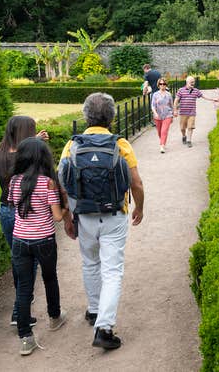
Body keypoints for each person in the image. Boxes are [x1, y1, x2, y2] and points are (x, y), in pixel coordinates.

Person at [58, 92, 144, 350]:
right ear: (112, 117)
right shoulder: (121, 144)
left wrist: (67, 216)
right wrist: (140, 206)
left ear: (86, 116)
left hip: (84, 214)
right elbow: (136, 182)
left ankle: (94, 310)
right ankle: (104, 328)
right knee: (112, 270)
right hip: (115, 214)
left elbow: (63, 184)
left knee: (90, 263)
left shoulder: (72, 145)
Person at [7, 137, 70, 355]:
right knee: (49, 278)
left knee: (24, 287)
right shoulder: (47, 183)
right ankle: (55, 317)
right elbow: (57, 217)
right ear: (44, 157)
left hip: (19, 240)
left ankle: (26, 338)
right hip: (43, 240)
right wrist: (66, 208)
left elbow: (15, 206)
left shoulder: (14, 181)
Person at [0, 116, 49, 327]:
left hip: (5, 210)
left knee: (18, 259)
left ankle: (21, 301)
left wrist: (35, 141)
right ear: (26, 133)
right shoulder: (26, 158)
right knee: (29, 261)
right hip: (24, 212)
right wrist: (38, 145)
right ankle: (19, 310)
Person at [173, 75, 218, 147]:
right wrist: (175, 110)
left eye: (193, 82)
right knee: (182, 128)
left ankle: (189, 140)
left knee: (190, 127)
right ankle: (184, 136)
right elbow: (176, 100)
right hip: (183, 113)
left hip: (192, 113)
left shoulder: (196, 91)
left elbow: (204, 97)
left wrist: (213, 99)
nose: (193, 83)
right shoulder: (181, 90)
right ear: (187, 82)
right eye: (191, 82)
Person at [151, 78, 175, 153]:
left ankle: (162, 146)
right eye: (161, 84)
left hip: (167, 115)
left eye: (164, 84)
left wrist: (173, 114)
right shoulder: (155, 94)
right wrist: (155, 113)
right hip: (158, 116)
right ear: (158, 85)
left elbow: (171, 105)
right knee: (159, 132)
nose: (162, 85)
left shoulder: (169, 94)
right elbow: (153, 105)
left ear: (166, 85)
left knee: (164, 131)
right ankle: (163, 142)